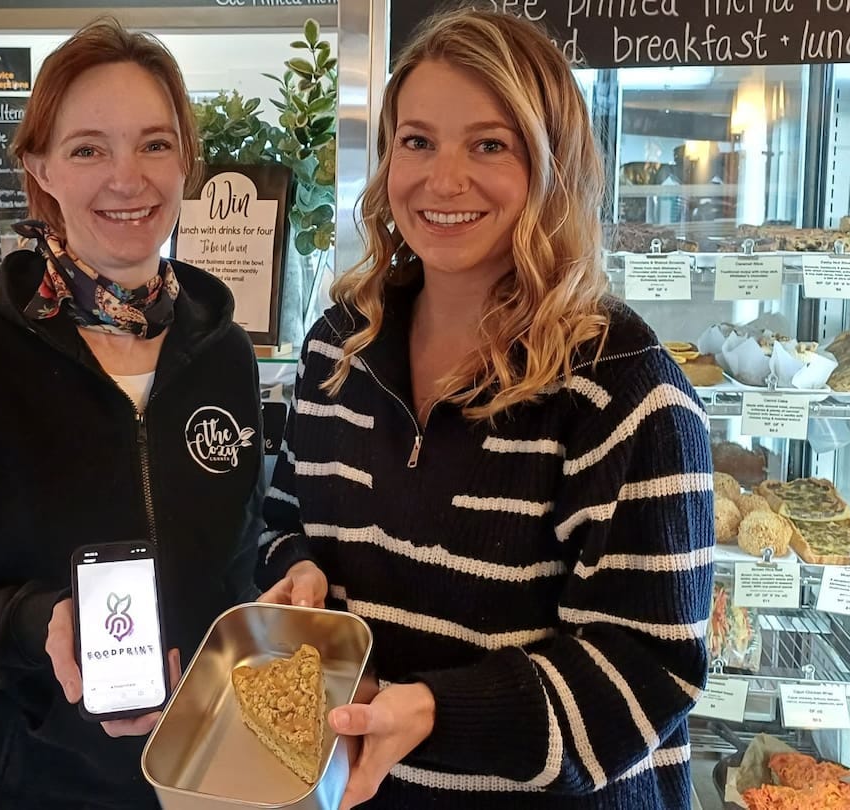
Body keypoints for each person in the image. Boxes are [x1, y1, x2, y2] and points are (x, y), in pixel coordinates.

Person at [258, 9, 714, 809]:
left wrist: (438, 711)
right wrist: (294, 569)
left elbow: (648, 669)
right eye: (418, 140)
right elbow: (282, 518)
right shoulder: (337, 349)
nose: (443, 180)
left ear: (553, 166)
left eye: (489, 144)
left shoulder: (623, 392)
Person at [0, 18, 264, 810]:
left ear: (187, 163)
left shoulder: (223, 353)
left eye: (154, 144)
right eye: (87, 149)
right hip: (25, 789)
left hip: (208, 782)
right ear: (39, 166)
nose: (127, 178)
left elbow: (234, 566)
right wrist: (36, 627)